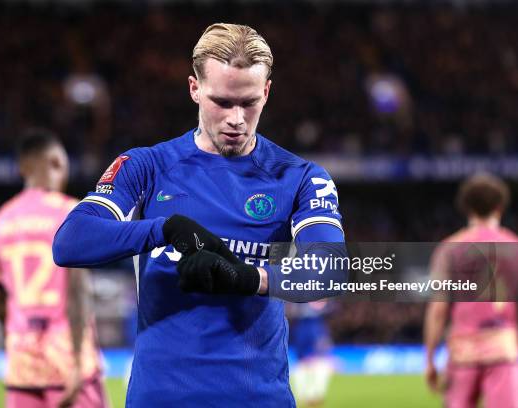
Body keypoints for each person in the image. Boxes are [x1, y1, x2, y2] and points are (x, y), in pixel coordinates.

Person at [53, 23, 345, 407]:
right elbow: (70, 242)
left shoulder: (300, 177)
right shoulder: (146, 166)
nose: (236, 119)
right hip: (161, 400)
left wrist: (246, 277)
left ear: (266, 92)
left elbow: (329, 271)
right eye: (222, 102)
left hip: (258, 399)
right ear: (194, 89)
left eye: (249, 102)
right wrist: (165, 229)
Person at [0, 129, 107, 408]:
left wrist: (18, 332)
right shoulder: (70, 214)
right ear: (55, 163)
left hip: (22, 366)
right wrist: (77, 362)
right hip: (68, 363)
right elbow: (77, 290)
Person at [424, 173, 518, 408]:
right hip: (502, 348)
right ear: (500, 207)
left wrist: (430, 358)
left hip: (462, 350)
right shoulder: (514, 246)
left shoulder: (449, 249)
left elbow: (438, 309)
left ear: (466, 207)